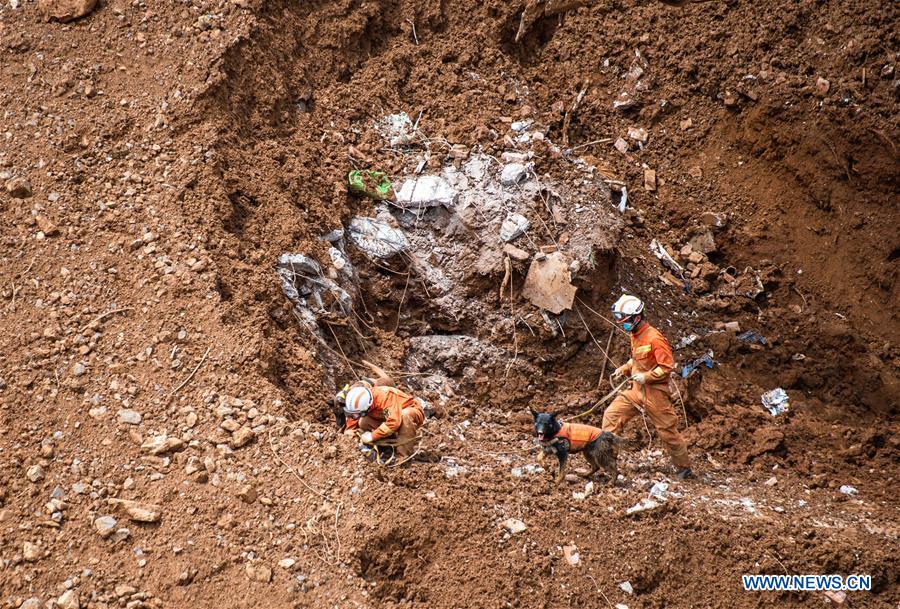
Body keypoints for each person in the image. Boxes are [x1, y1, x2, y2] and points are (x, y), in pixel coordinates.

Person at [602, 294, 693, 479]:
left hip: (655, 393)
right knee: (612, 415)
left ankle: (684, 468)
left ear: (636, 318)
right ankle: (608, 464)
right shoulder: (634, 335)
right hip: (636, 390)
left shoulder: (655, 338)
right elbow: (637, 359)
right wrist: (625, 368)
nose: (622, 325)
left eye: (625, 321)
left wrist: (647, 377)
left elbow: (667, 367)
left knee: (667, 431)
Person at [342, 382, 425, 460]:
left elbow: (393, 422)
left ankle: (402, 455)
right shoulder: (365, 401)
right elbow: (354, 415)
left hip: (410, 410)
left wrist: (372, 436)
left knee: (405, 415)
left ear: (366, 408)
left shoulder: (384, 398)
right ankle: (387, 447)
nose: (354, 416)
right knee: (363, 422)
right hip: (388, 415)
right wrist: (350, 430)